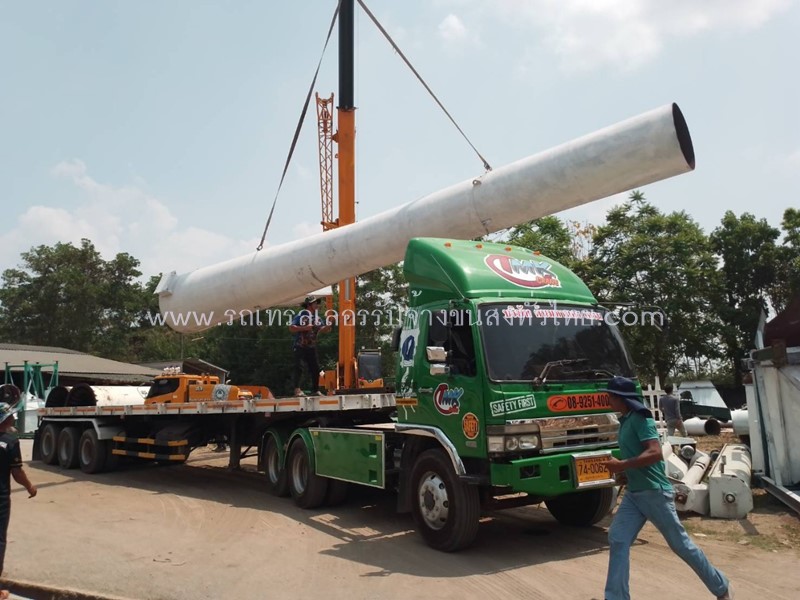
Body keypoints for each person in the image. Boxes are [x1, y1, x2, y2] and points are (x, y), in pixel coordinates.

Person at [600, 376, 732, 600]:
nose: (608, 400)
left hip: (654, 493)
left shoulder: (641, 419)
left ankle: (721, 587)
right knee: (618, 538)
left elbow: (655, 452)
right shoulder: (625, 420)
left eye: (610, 396)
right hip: (634, 494)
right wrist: (625, 473)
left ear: (621, 398)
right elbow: (637, 455)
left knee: (681, 545)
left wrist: (622, 465)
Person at [0, 401, 37, 581]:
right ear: (5, 419)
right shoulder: (11, 442)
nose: (14, 418)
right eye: (11, 416)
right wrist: (30, 486)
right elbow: (17, 473)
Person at [289, 297, 331, 396]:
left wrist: (329, 324)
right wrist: (304, 328)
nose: (317, 305)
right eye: (315, 303)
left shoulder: (317, 318)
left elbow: (323, 329)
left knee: (315, 368)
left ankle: (315, 390)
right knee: (299, 367)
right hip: (300, 345)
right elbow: (291, 328)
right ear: (309, 305)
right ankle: (297, 390)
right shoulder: (301, 315)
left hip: (311, 347)